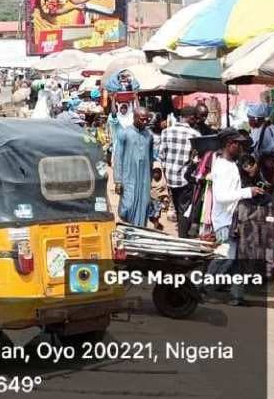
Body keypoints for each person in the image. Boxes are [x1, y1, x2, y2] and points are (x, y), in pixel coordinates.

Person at [207, 128, 265, 306]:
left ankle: (236, 295)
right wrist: (248, 192)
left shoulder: (231, 164)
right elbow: (222, 196)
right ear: (228, 144)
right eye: (238, 144)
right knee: (226, 258)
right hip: (225, 220)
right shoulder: (222, 167)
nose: (240, 147)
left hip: (235, 219)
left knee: (238, 259)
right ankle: (200, 286)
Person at [159, 107, 200, 238]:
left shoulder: (166, 132)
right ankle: (182, 237)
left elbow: (161, 155)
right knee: (184, 209)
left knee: (177, 206)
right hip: (185, 178)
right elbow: (196, 159)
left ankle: (181, 234)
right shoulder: (195, 135)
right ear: (191, 118)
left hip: (170, 178)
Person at [113, 108, 154, 227]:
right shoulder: (124, 133)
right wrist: (118, 181)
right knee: (127, 206)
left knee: (144, 204)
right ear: (134, 118)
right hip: (128, 176)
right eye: (142, 119)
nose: (145, 122)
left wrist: (150, 178)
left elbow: (151, 158)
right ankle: (128, 230)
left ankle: (139, 233)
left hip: (144, 178)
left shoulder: (149, 135)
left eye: (147, 120)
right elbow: (118, 157)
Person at [247, 103, 274, 184]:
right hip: (260, 163)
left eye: (250, 118)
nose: (249, 121)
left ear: (256, 119)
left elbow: (271, 152)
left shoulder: (268, 130)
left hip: (268, 165)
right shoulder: (256, 129)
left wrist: (256, 166)